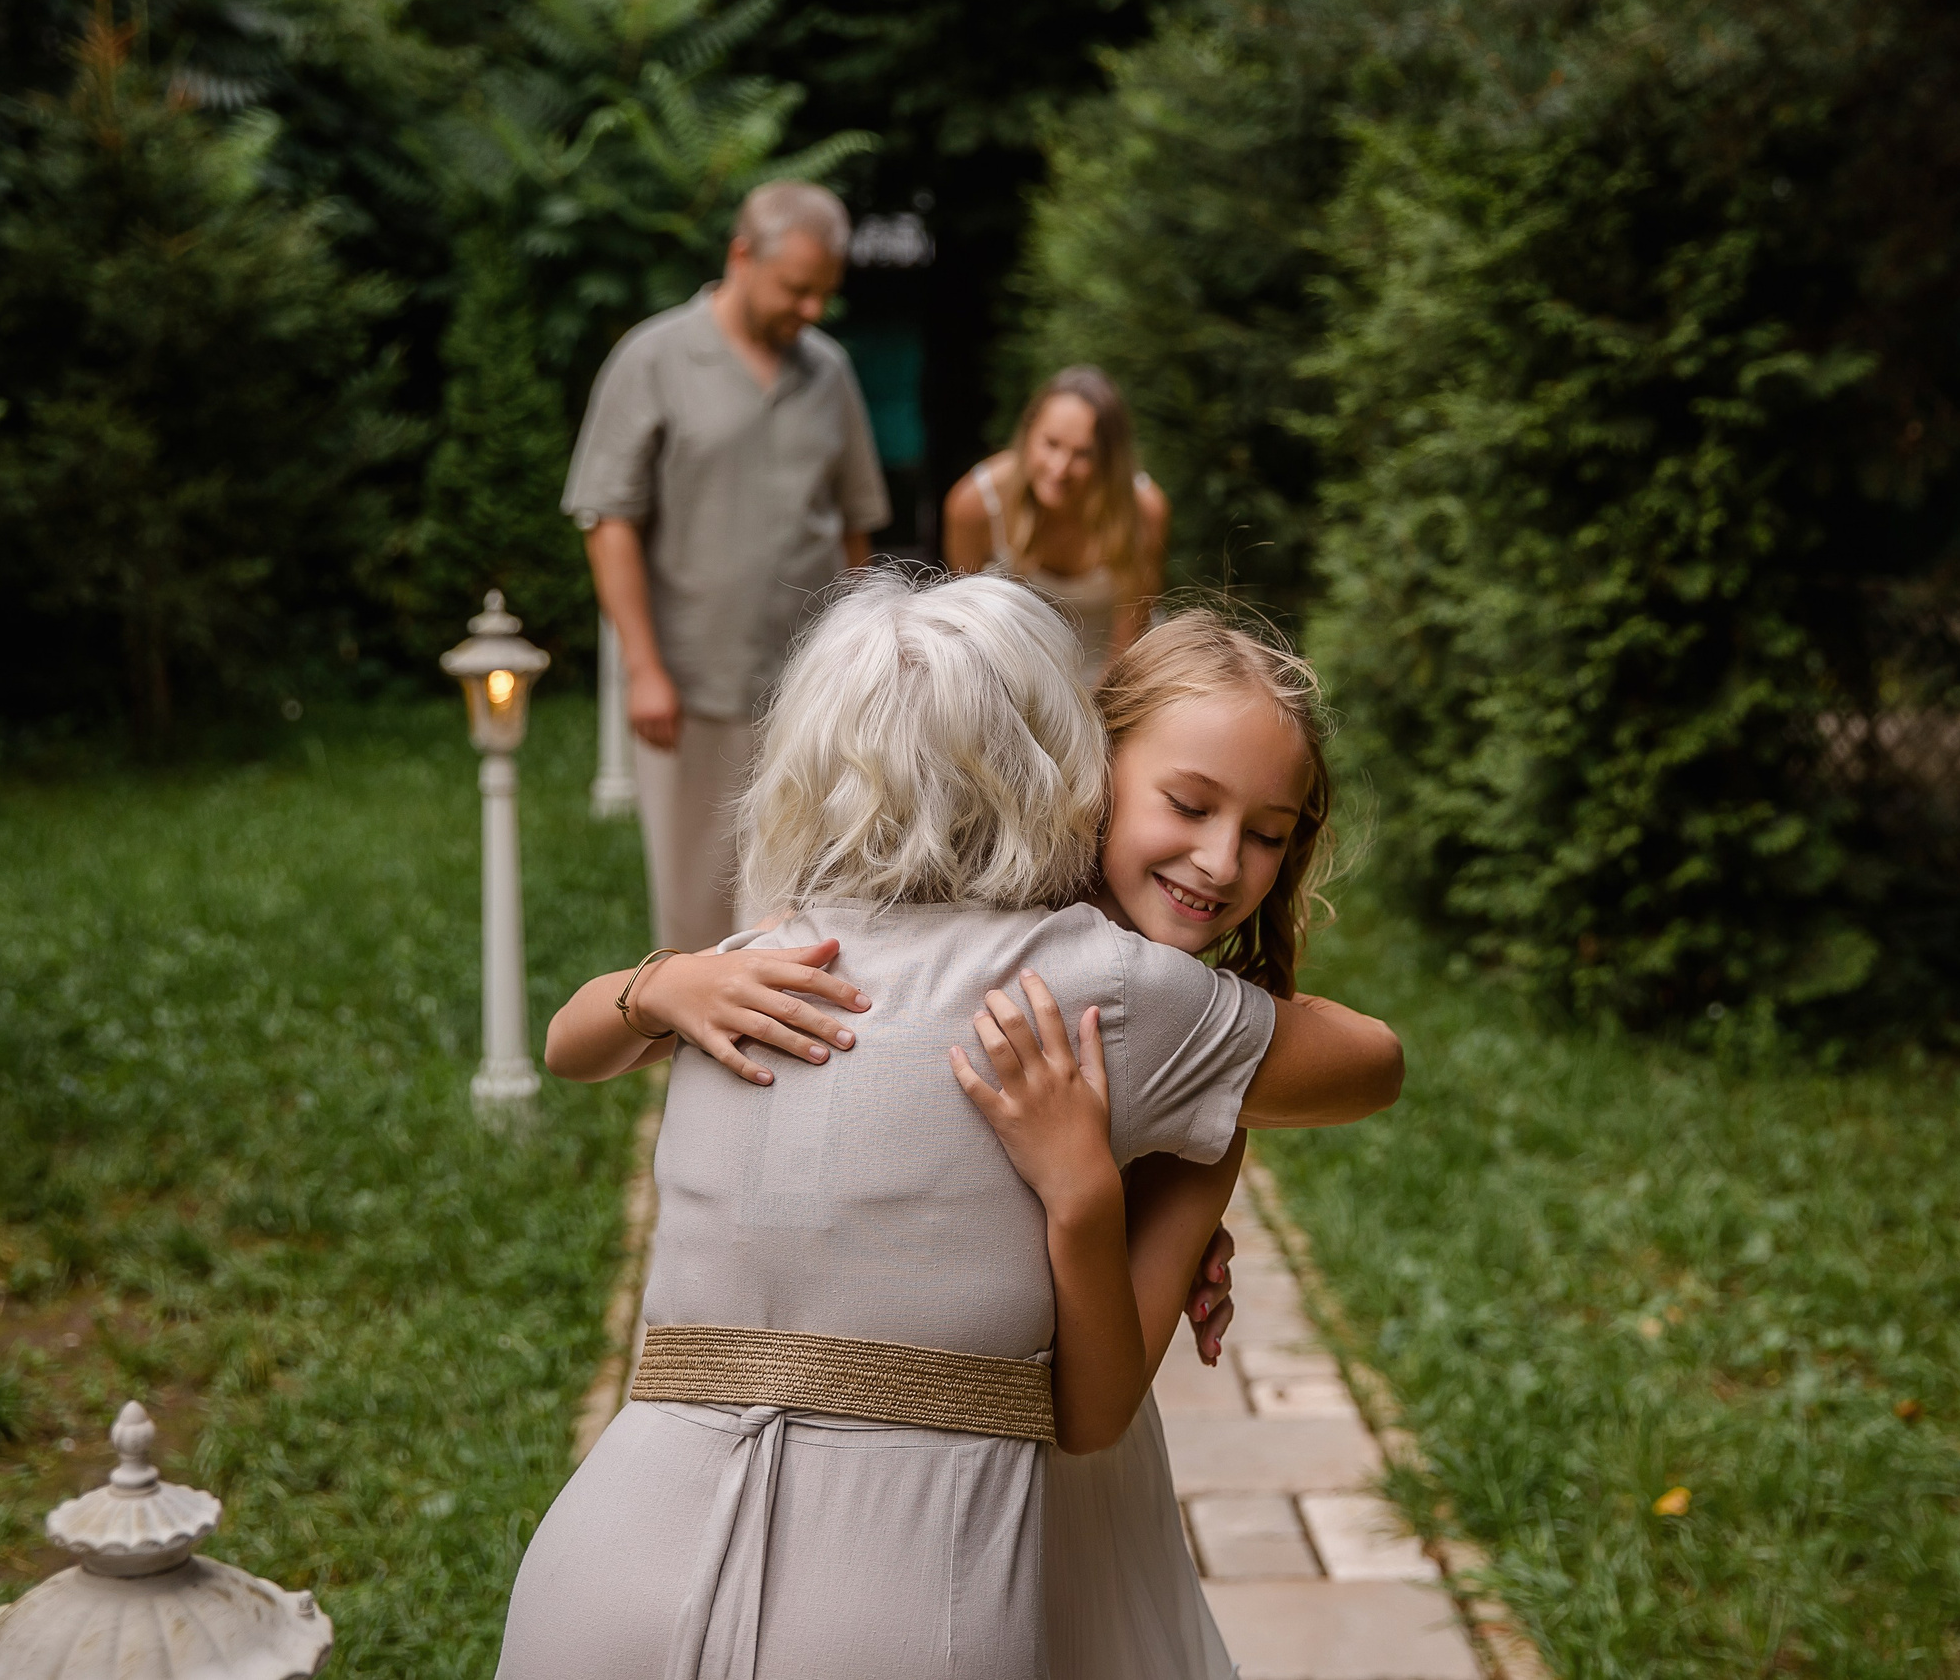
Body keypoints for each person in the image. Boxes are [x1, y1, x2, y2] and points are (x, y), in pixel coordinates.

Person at [493, 575, 1400, 1680]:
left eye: (1265, 833)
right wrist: (1108, 1190)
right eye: (1187, 803)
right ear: (1082, 766)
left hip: (608, 1543)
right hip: (925, 1571)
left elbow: (569, 1044)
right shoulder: (1120, 993)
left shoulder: (773, 953)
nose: (1220, 860)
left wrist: (657, 984)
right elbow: (1371, 1063)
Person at [565, 180, 890, 950]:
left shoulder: (830, 371)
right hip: (693, 683)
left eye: (824, 293)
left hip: (813, 686)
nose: (812, 308)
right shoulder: (653, 358)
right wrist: (644, 667)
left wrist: (866, 658)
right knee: (696, 900)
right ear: (741, 256)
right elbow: (609, 522)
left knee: (813, 894)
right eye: (796, 288)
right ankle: (689, 1022)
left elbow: (855, 527)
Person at [944, 366, 1167, 682]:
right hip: (1012, 678)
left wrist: (1097, 705)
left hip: (1113, 679)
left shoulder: (1144, 511)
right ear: (1028, 433)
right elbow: (966, 631)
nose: (1060, 469)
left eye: (1083, 454)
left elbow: (1129, 644)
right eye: (1050, 443)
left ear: (1109, 459)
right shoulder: (974, 504)